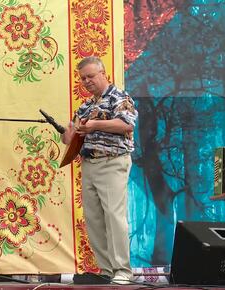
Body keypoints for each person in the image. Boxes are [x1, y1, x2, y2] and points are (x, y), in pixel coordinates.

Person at [62, 56, 138, 284]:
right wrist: (67, 131)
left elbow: (127, 124)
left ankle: (123, 271)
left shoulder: (120, 97)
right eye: (83, 78)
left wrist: (95, 125)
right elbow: (70, 138)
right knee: (94, 218)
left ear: (104, 74)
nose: (86, 81)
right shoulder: (86, 106)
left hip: (112, 162)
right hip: (90, 164)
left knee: (115, 217)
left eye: (91, 76)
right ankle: (107, 271)